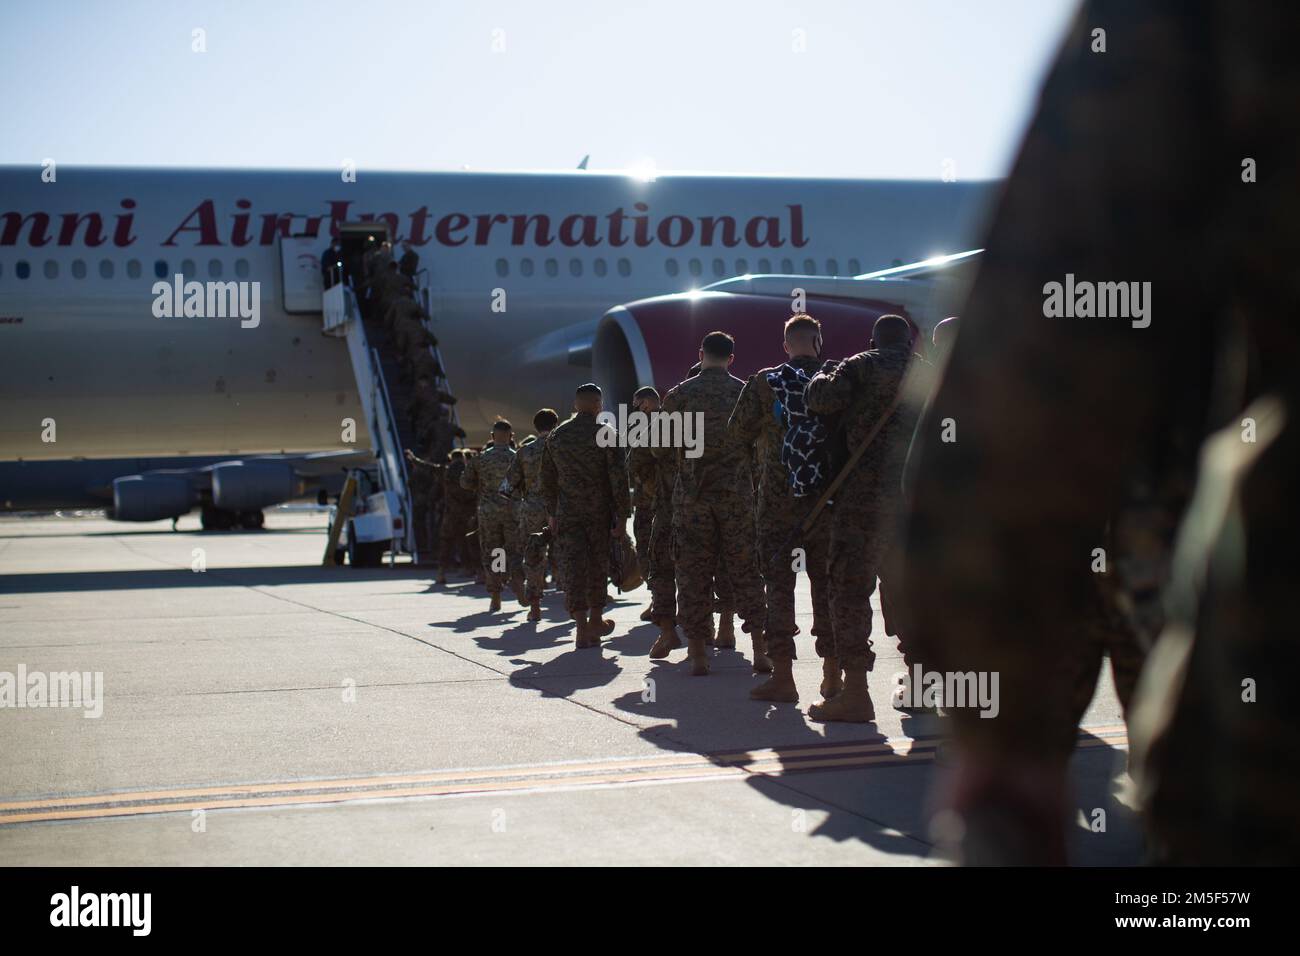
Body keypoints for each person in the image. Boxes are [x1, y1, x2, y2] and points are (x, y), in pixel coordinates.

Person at [804, 314, 929, 721]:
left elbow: (819, 401)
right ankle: (922, 686)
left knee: (850, 590)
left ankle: (856, 693)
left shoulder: (861, 364)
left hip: (863, 501)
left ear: (874, 339)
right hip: (915, 502)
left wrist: (822, 376)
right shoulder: (931, 375)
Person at [728, 313, 837, 703]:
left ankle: (785, 677)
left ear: (786, 345)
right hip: (826, 501)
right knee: (828, 587)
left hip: (777, 502)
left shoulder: (765, 381)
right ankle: (832, 675)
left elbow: (737, 433)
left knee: (779, 587)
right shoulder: (836, 380)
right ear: (819, 343)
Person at [654, 332, 769, 676]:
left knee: (693, 573)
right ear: (731, 359)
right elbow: (760, 448)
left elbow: (659, 448)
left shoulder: (680, 394)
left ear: (701, 354)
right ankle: (761, 650)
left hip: (693, 499)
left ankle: (699, 653)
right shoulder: (744, 393)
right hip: (737, 498)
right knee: (746, 570)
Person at [540, 384, 631, 648]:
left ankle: (581, 628)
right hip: (598, 514)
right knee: (597, 567)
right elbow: (618, 480)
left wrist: (552, 512)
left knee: (573, 567)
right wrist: (623, 517)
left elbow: (547, 478)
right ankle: (596, 620)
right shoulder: (606, 433)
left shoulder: (557, 436)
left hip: (568, 513)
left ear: (576, 404)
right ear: (598, 405)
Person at [460, 421, 526, 611]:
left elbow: (465, 482)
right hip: (512, 510)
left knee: (494, 552)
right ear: (511, 436)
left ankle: (496, 596)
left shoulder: (481, 459)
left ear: (492, 436)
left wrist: (480, 487)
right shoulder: (517, 458)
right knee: (514, 551)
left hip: (489, 512)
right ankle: (518, 584)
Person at [505, 408, 559, 621]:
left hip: (533, 509)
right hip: (562, 508)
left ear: (536, 427)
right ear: (555, 425)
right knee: (567, 554)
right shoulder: (562, 448)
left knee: (534, 556)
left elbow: (508, 487)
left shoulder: (524, 452)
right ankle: (574, 607)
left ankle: (535, 607)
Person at [625, 386, 661, 622]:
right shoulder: (676, 423)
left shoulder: (642, 428)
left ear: (646, 403)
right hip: (675, 500)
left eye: (637, 405)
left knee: (648, 552)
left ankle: (659, 601)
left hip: (649, 502)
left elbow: (632, 464)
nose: (635, 410)